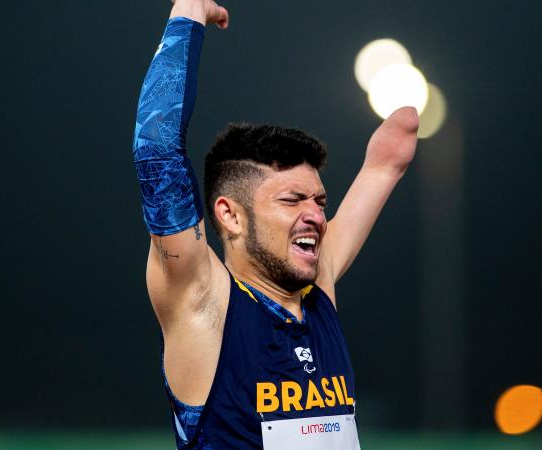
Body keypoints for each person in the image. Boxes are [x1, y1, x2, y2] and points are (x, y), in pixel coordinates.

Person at [132, 1, 418, 448]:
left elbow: (383, 168)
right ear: (230, 215)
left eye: (321, 201)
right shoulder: (202, 302)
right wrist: (188, 12)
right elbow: (156, 149)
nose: (317, 216)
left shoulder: (316, 285)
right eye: (292, 200)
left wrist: (390, 158)